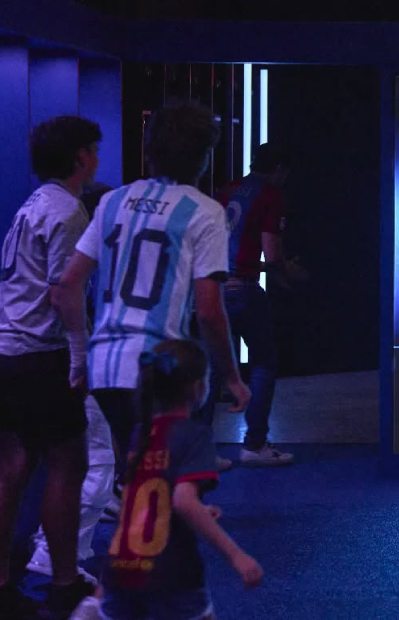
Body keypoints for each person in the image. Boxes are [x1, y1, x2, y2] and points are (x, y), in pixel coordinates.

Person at [55, 102, 251, 482]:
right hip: (160, 369)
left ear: (150, 149)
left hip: (104, 365)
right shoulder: (205, 212)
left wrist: (79, 357)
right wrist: (231, 377)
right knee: (163, 486)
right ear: (203, 156)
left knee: (134, 479)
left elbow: (68, 282)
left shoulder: (112, 201)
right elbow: (209, 311)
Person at [0, 116, 101, 619]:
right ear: (81, 157)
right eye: (94, 150)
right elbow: (66, 291)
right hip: (43, 353)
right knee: (69, 463)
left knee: (13, 465)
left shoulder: (31, 205)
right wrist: (79, 356)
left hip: (9, 349)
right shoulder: (68, 211)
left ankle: (1, 581)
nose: (97, 158)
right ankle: (63, 582)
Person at [99, 340, 263, 620]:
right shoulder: (194, 434)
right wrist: (236, 555)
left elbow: (139, 500)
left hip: (121, 567)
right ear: (198, 388)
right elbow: (184, 501)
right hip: (169, 571)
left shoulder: (141, 433)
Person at [29, 184, 117, 583]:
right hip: (69, 363)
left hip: (36, 360)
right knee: (96, 463)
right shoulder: (83, 260)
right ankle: (52, 556)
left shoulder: (56, 245)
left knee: (57, 464)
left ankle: (50, 545)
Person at [194, 143, 301, 467]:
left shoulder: (227, 191)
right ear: (279, 168)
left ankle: (201, 452)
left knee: (211, 369)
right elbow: (272, 252)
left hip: (214, 287)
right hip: (243, 288)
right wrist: (287, 272)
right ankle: (254, 445)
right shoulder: (271, 196)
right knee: (264, 362)